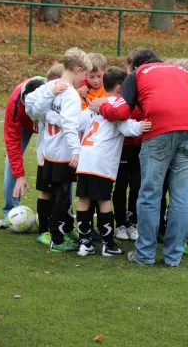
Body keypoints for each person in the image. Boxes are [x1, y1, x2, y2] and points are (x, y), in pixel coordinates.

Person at [89, 48, 188, 267]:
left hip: (159, 132)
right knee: (183, 196)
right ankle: (173, 257)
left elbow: (119, 112)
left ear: (133, 67)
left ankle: (145, 254)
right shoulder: (180, 70)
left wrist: (103, 106)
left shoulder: (138, 75)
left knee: (150, 193)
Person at [76, 67, 151, 257]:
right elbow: (127, 127)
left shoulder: (94, 105)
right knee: (104, 200)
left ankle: (84, 244)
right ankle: (108, 245)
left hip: (85, 159)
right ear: (120, 89)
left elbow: (78, 123)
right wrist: (141, 126)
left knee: (84, 199)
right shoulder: (117, 108)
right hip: (102, 162)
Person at [25, 47, 92, 252]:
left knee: (53, 192)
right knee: (62, 194)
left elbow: (33, 108)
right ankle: (58, 240)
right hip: (62, 152)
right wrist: (76, 151)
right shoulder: (68, 94)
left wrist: (48, 113)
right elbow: (68, 124)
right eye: (85, 75)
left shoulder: (52, 85)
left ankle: (51, 234)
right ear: (78, 70)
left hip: (48, 150)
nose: (84, 80)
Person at [25, 63, 65, 245]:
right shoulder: (45, 102)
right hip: (47, 156)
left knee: (59, 192)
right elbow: (35, 109)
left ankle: (58, 227)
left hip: (57, 155)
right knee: (47, 191)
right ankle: (44, 231)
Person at [0, 75, 46, 229]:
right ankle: (10, 212)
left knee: (59, 161)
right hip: (22, 124)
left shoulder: (54, 95)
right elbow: (12, 143)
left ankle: (60, 211)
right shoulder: (15, 102)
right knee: (10, 162)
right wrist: (19, 175)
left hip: (47, 122)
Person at [113, 49, 145, 241]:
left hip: (141, 146)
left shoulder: (147, 85)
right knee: (120, 186)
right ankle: (120, 225)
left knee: (136, 186)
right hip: (122, 146)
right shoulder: (123, 84)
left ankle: (132, 223)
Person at [78, 53, 108, 242]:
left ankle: (97, 230)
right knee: (86, 194)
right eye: (91, 76)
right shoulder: (81, 91)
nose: (96, 80)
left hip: (105, 150)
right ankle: (86, 233)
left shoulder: (111, 89)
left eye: (100, 76)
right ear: (85, 75)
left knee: (100, 194)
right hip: (86, 150)